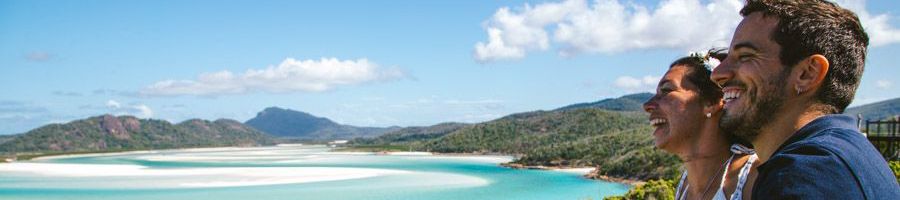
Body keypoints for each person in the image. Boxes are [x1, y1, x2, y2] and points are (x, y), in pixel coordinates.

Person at [711, 0, 900, 199]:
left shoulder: (807, 174)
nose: (717, 74)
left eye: (745, 56)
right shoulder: (840, 155)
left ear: (808, 73)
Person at [643, 53, 757, 200]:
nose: (648, 105)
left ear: (712, 102)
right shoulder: (685, 185)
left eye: (666, 91)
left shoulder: (754, 179)